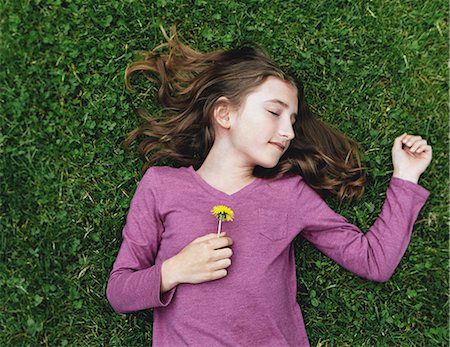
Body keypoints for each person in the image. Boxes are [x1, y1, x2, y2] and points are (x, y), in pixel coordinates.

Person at [106, 27, 432, 346]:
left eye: (292, 120)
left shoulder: (289, 194)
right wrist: (174, 270)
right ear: (224, 113)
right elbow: (120, 292)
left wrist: (406, 176)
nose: (288, 132)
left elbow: (374, 261)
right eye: (274, 112)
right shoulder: (163, 186)